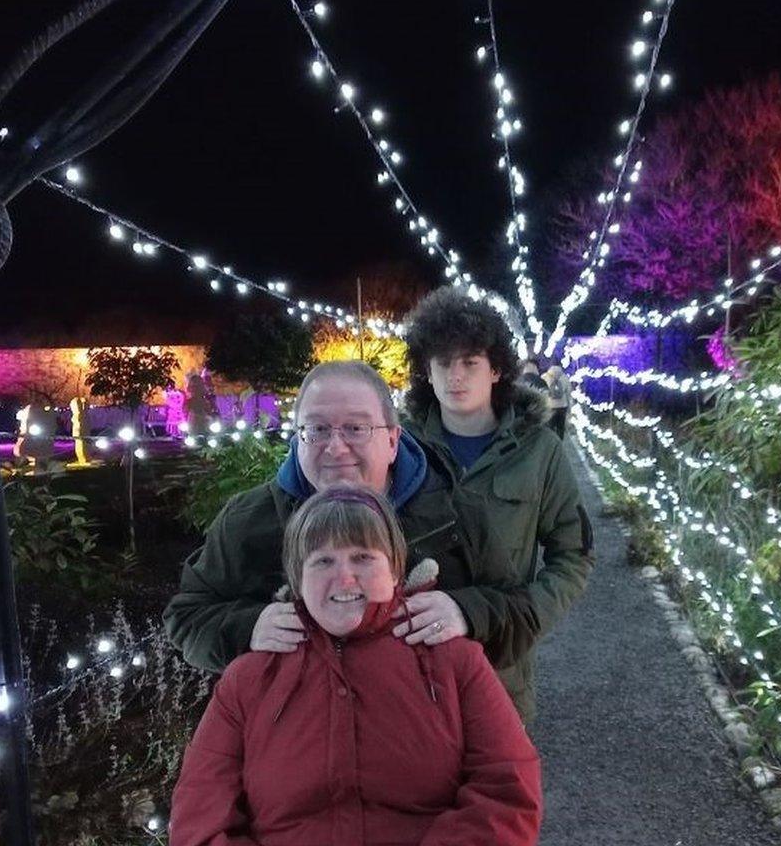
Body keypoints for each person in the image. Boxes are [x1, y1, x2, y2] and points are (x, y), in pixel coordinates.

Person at [169, 485, 542, 846]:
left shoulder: (452, 661)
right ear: (298, 579)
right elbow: (201, 816)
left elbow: (506, 789)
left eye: (363, 557)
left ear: (395, 569)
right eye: (323, 561)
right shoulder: (250, 680)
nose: (345, 577)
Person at [164, 360, 537, 681]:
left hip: (433, 742)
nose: (336, 447)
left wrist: (467, 613)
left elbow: (521, 612)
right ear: (297, 438)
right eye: (318, 429)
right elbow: (187, 617)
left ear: (392, 441)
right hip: (305, 747)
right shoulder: (249, 522)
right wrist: (248, 629)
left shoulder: (457, 513)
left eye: (356, 429)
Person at [402, 288, 593, 722]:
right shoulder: (400, 448)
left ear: (496, 370)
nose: (456, 376)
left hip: (500, 669)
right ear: (425, 372)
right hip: (411, 667)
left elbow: (574, 555)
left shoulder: (540, 450)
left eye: (470, 362)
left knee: (500, 783)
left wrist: (523, 620)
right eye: (443, 363)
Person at [543, 364, 571, 440]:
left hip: (550, 406)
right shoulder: (564, 377)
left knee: (550, 427)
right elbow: (568, 393)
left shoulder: (544, 377)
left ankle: (551, 444)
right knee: (560, 427)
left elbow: (542, 392)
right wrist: (569, 408)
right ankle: (560, 444)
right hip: (562, 406)